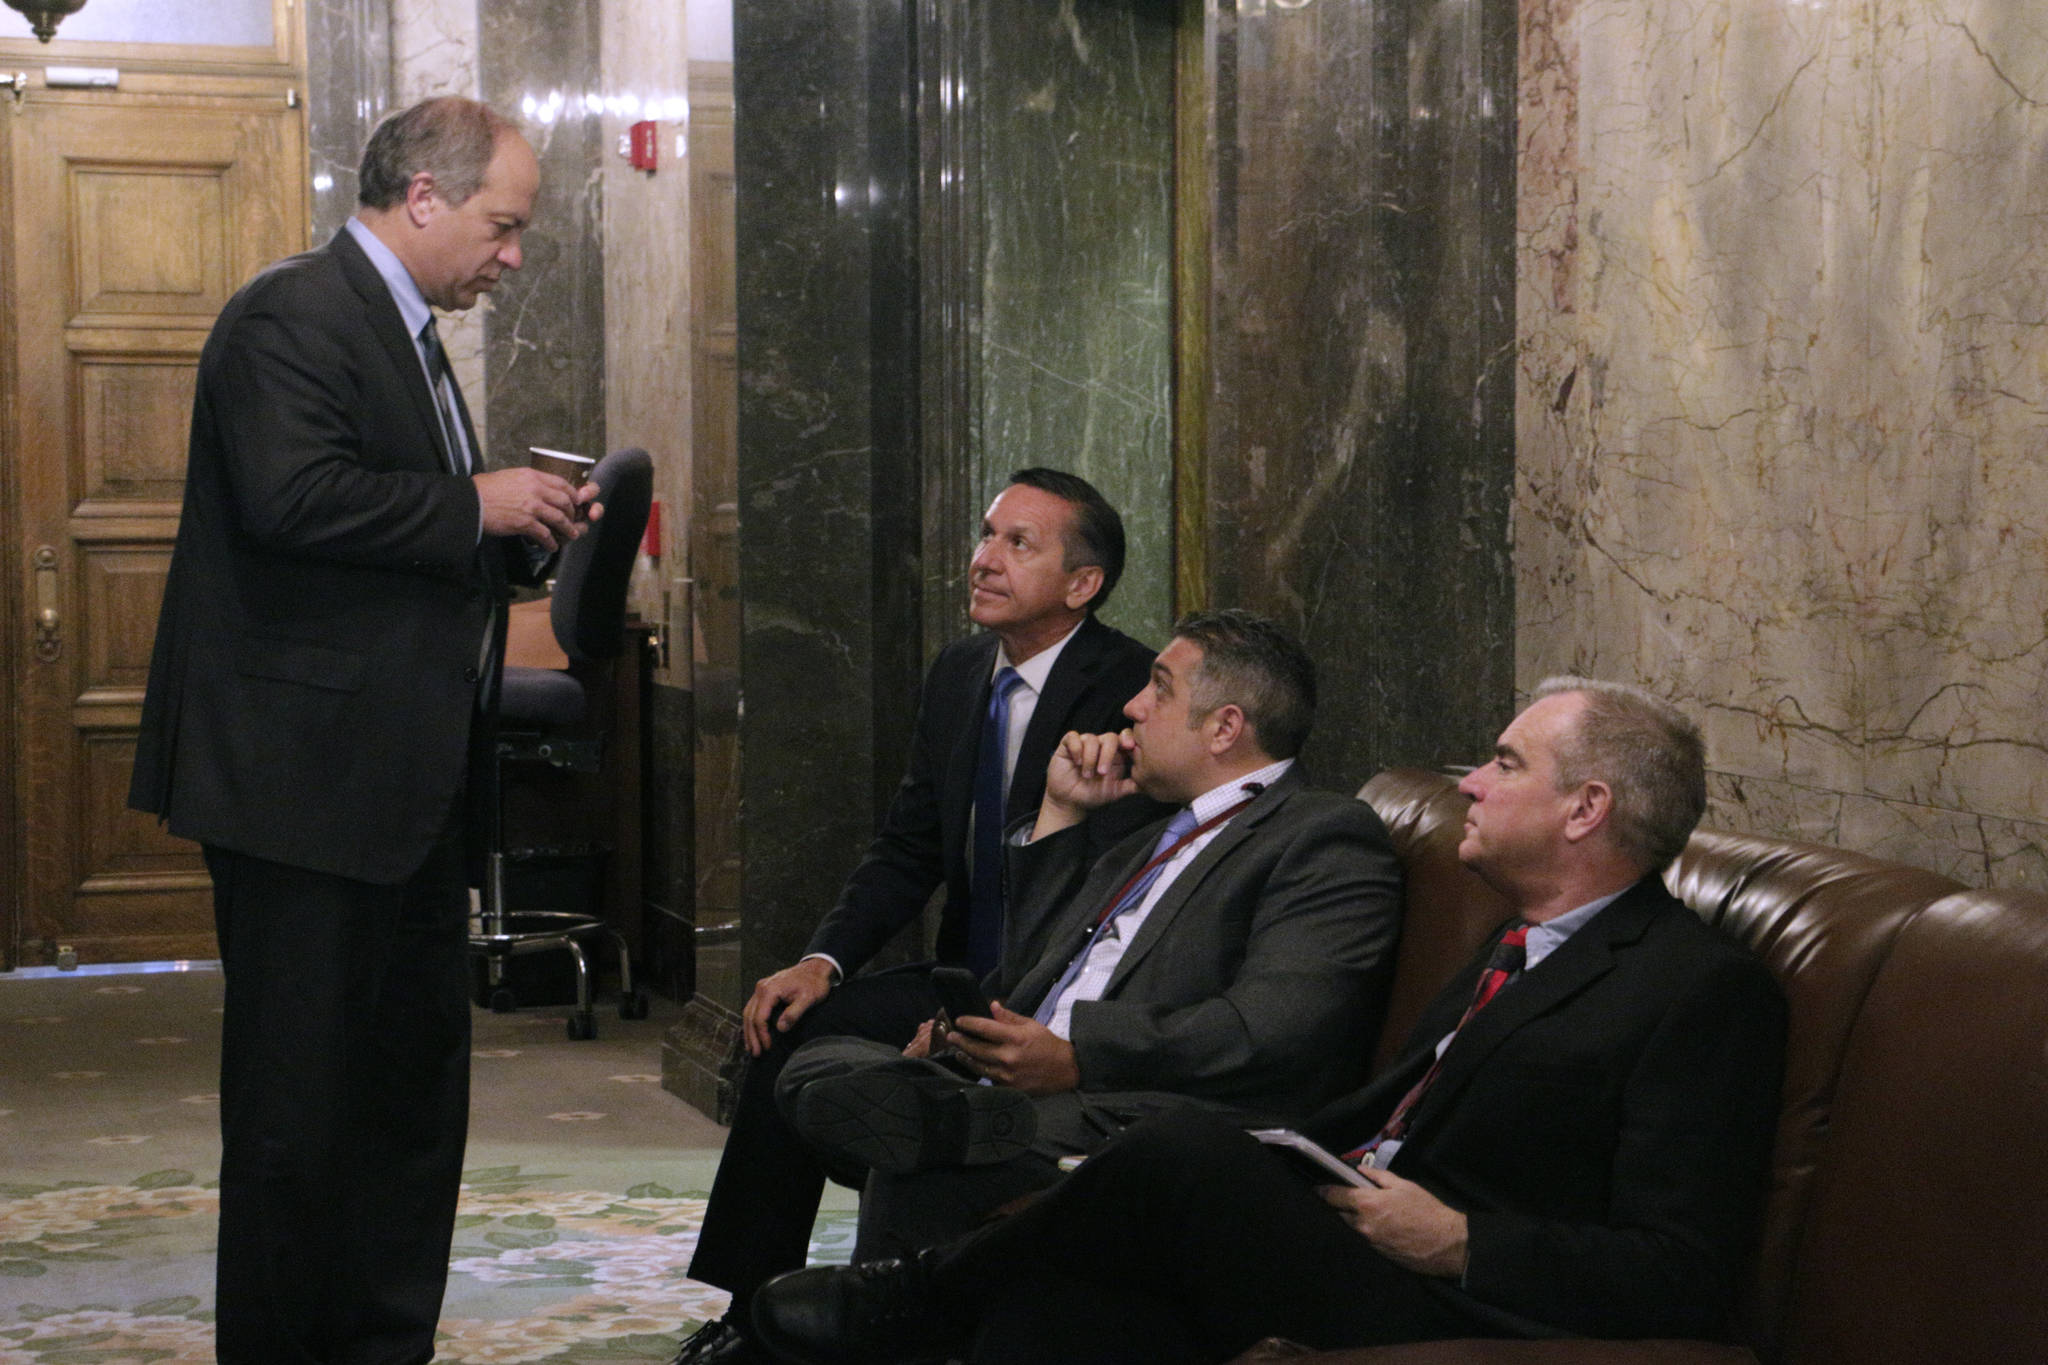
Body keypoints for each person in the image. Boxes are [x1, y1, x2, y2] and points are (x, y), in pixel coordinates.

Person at [749, 678, 1790, 1365]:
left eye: (1505, 764)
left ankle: (914, 1303)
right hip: (1345, 1227)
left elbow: (1680, 1273)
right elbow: (1381, 1112)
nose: (1470, 781)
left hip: (1456, 1308)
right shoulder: (1517, 941)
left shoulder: (1695, 991)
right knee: (1068, 1300)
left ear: (1584, 809)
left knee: (1176, 1150)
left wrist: (1461, 1242)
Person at [128, 97, 596, 1365]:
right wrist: (474, 504)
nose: (511, 255)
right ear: (426, 196)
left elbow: (389, 538)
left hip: (396, 788)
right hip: (299, 788)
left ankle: (381, 1341)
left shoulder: (405, 328)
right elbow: (292, 502)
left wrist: (515, 531)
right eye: (503, 226)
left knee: (403, 1101)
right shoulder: (293, 313)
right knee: (299, 1116)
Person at [678, 470, 1163, 1362]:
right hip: (960, 975)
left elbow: (1111, 888)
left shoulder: (1128, 690)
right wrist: (821, 961)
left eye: (1020, 544)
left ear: (1082, 583)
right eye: (986, 535)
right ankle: (756, 1314)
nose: (982, 559)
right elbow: (907, 848)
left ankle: (902, 1311)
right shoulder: (958, 674)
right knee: (789, 1023)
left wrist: (995, 1018)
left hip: (1055, 996)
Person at [772, 609, 1405, 1269]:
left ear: (1225, 727)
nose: (1131, 706)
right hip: (1043, 1086)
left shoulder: (1321, 834)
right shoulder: (1151, 832)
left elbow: (1267, 1027)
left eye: (1159, 688)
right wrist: (1061, 810)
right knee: (812, 1064)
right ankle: (951, 1113)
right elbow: (1028, 968)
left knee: (916, 1154)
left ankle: (948, 1134)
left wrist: (1079, 1057)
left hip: (1152, 1107)